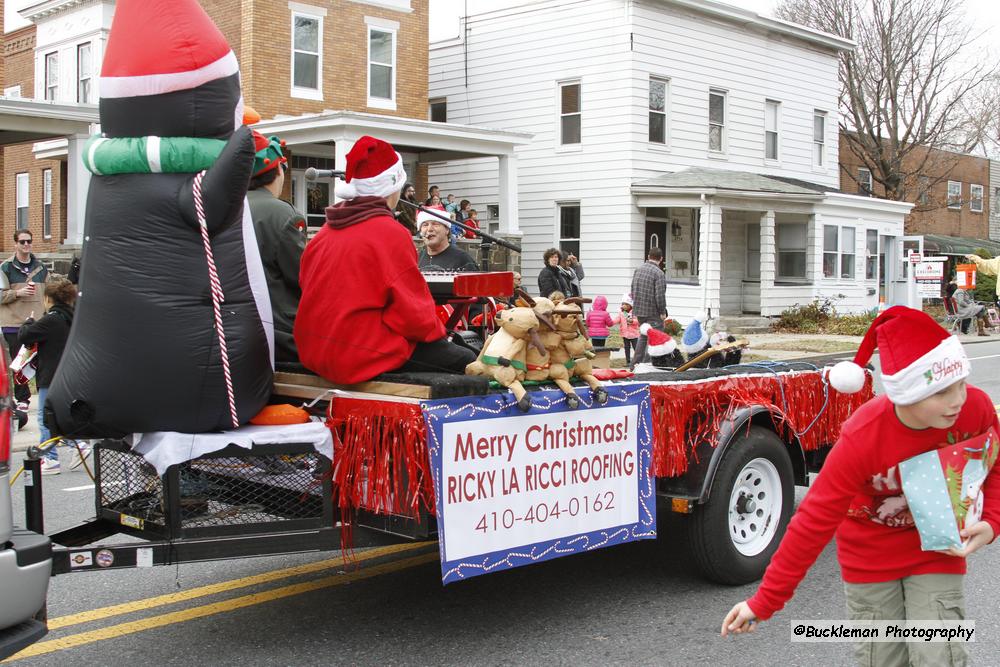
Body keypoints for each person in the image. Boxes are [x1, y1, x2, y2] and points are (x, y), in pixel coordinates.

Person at [721, 306, 999, 667]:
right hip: (869, 557)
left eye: (962, 382)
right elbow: (813, 521)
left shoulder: (975, 408)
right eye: (942, 392)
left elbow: (995, 464)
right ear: (906, 394)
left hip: (937, 550)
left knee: (940, 655)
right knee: (882, 658)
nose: (958, 399)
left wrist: (992, 521)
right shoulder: (863, 436)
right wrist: (764, 602)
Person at [294, 136, 476, 384]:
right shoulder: (390, 233)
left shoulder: (322, 236)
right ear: (392, 187)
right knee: (466, 360)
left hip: (315, 351)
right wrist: (441, 336)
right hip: (360, 354)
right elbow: (412, 316)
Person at [247, 131, 307, 363]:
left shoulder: (224, 207)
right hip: (279, 333)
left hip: (236, 328)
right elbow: (303, 278)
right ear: (277, 171)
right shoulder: (282, 214)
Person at [18, 277, 76, 475]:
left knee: (44, 418)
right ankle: (77, 445)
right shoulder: (73, 317)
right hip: (68, 375)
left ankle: (51, 459)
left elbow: (25, 335)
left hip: (50, 375)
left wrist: (28, 322)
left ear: (49, 299)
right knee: (60, 416)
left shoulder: (52, 319)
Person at [1, 229, 49, 409]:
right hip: (13, 323)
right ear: (15, 244)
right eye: (22, 242)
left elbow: (50, 292)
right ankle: (23, 399)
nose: (26, 244)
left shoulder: (41, 268)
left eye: (29, 241)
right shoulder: (5, 268)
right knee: (19, 361)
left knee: (41, 361)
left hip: (38, 323)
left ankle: (43, 394)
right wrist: (18, 293)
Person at [630, 247, 668, 368]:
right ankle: (647, 366)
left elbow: (632, 289)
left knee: (643, 337)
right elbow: (660, 295)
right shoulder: (659, 273)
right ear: (661, 259)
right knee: (654, 338)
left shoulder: (638, 270)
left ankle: (635, 364)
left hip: (639, 310)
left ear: (648, 257)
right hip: (653, 311)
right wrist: (662, 312)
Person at [616, 294, 640, 365]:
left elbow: (638, 321)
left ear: (630, 305)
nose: (624, 305)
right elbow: (617, 319)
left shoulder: (634, 312)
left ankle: (637, 361)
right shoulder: (622, 313)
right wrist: (611, 322)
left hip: (634, 334)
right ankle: (628, 361)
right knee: (627, 348)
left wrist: (632, 321)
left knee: (635, 348)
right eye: (623, 304)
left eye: (626, 304)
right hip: (625, 333)